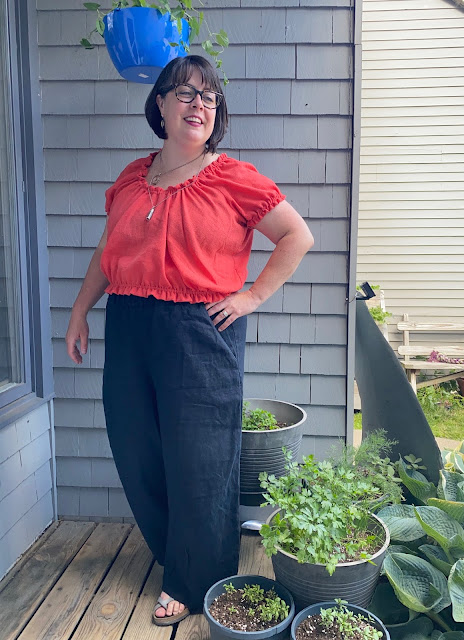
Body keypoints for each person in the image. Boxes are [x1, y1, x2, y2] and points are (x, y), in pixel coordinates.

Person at [65, 54, 313, 627]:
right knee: (136, 446)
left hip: (199, 330)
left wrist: (251, 297)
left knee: (200, 459)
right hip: (129, 323)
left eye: (208, 96)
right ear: (160, 104)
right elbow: (108, 250)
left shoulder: (232, 178)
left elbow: (296, 236)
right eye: (184, 92)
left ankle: (192, 577)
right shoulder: (133, 178)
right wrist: (80, 310)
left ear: (216, 111)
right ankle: (175, 549)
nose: (197, 104)